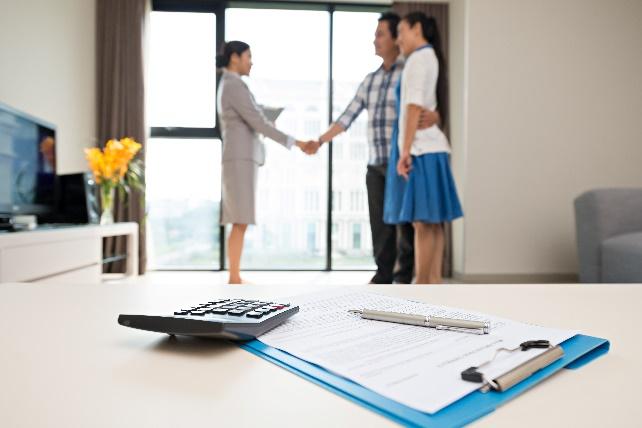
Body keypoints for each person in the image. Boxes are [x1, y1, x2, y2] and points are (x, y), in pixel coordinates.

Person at [312, 12, 441, 284]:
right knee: (380, 226)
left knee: (407, 225)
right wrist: (321, 140)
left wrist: (436, 116)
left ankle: (404, 278)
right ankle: (383, 276)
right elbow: (347, 116)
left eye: (380, 34)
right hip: (376, 164)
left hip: (403, 159)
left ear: (397, 37)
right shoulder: (370, 80)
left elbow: (425, 104)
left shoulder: (410, 68)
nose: (375, 40)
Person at [216, 41, 315, 284]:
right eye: (248, 56)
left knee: (240, 217)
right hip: (239, 159)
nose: (251, 62)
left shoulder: (233, 85)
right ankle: (234, 277)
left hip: (241, 158)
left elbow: (255, 114)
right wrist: (297, 142)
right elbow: (258, 121)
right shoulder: (233, 84)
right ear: (235, 58)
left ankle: (235, 275)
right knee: (239, 217)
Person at [383, 12, 463, 284]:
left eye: (401, 31)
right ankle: (434, 283)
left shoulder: (418, 58)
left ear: (417, 29)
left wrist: (404, 152)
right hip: (433, 148)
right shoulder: (431, 57)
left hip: (420, 149)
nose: (398, 39)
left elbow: (414, 107)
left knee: (421, 222)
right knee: (433, 222)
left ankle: (423, 286)